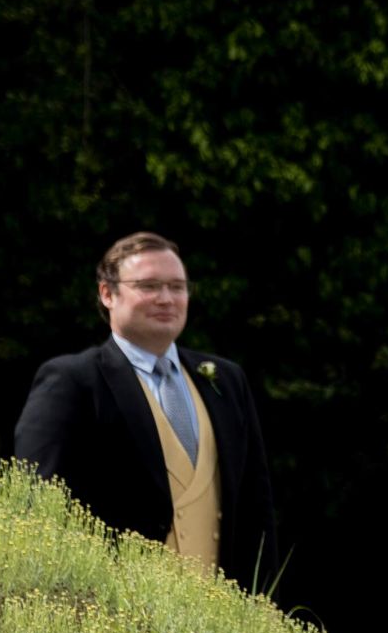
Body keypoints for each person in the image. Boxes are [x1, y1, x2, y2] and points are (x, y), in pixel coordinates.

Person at [15, 233, 277, 587]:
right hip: (117, 618)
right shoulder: (73, 382)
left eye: (177, 286)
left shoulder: (225, 381)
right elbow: (42, 509)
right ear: (107, 294)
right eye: (149, 285)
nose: (166, 299)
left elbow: (256, 511)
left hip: (221, 624)